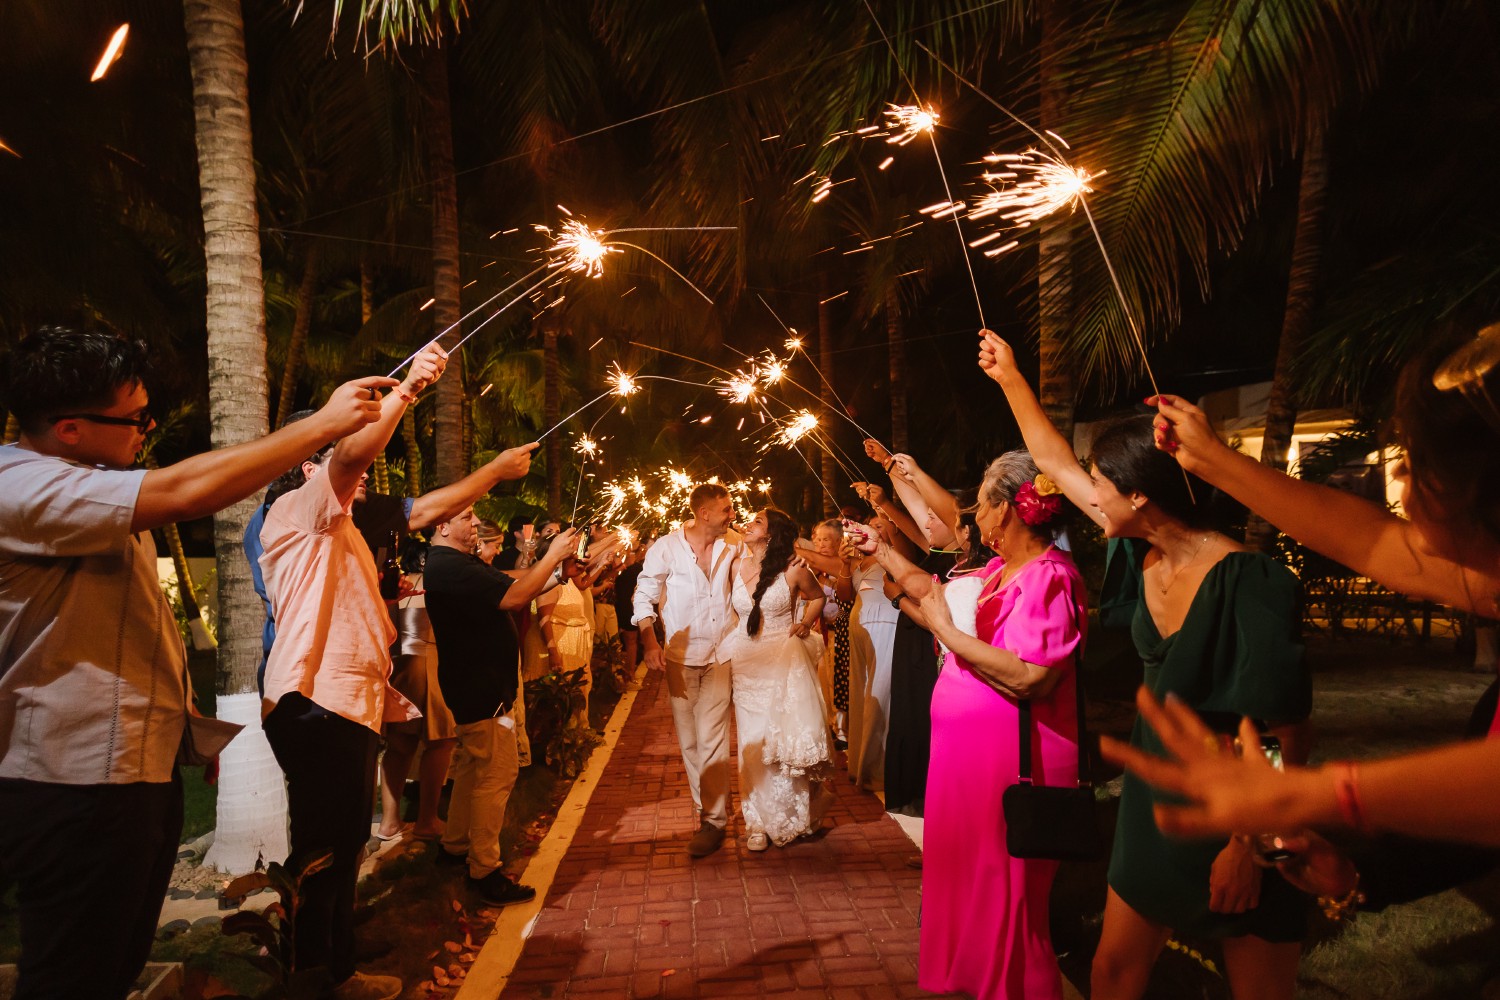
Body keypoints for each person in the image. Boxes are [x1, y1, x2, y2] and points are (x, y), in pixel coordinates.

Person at [0, 325, 396, 1000]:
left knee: (114, 967)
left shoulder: (81, 487)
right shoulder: (24, 488)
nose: (145, 434)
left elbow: (110, 630)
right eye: (135, 420)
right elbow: (186, 490)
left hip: (131, 771)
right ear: (68, 428)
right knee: (72, 975)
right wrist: (323, 424)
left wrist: (181, 724)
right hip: (75, 785)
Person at [978, 330, 1312, 1000]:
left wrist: (1249, 847)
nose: (1085, 494)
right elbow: (1052, 458)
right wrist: (1010, 377)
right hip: (1153, 806)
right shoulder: (1143, 551)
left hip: (1235, 809)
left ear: (1138, 497)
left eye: (1099, 484)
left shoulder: (1251, 583)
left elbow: (1281, 731)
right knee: (1112, 972)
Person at [1099, 321, 1500, 849]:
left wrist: (1299, 799)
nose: (1397, 473)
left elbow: (1282, 719)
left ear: (1478, 487)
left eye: (1419, 459)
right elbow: (1369, 541)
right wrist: (1213, 459)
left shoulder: (1245, 578)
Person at [849, 451, 1086, 1000]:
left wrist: (947, 635)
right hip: (966, 756)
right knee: (968, 879)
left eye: (980, 504)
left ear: (1005, 511)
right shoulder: (1002, 569)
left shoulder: (1049, 577)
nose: (971, 515)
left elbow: (1031, 677)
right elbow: (933, 593)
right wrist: (882, 549)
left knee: (1008, 894)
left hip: (1010, 760)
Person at [258, 343, 447, 1000]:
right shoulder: (303, 509)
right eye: (337, 449)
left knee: (340, 842)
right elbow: (354, 456)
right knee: (326, 846)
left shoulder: (331, 526)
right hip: (319, 704)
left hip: (345, 703)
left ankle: (337, 956)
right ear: (309, 463)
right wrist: (408, 391)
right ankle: (323, 977)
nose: (362, 470)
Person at [423, 507, 579, 906]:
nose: (476, 524)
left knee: (475, 770)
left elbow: (509, 580)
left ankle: (454, 847)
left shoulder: (455, 563)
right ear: (442, 526)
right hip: (480, 686)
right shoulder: (449, 565)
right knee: (497, 774)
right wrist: (551, 556)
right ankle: (485, 870)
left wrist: (557, 570)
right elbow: (515, 596)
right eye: (468, 518)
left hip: (478, 683)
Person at [631, 482, 741, 857]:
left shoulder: (734, 544)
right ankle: (705, 809)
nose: (733, 514)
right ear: (704, 513)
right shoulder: (666, 547)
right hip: (680, 655)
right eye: (726, 509)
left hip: (721, 652)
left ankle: (712, 820)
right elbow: (643, 593)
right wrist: (649, 640)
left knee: (712, 737)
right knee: (689, 739)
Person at [721, 508, 833, 850]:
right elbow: (732, 614)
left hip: (781, 661)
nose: (748, 524)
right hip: (746, 661)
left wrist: (805, 623)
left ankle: (791, 815)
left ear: (771, 534)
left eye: (757, 521)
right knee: (751, 743)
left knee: (781, 738)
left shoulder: (795, 568)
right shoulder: (734, 566)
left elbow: (817, 597)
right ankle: (755, 820)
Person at [376, 538, 456, 842]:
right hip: (429, 663)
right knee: (441, 741)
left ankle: (389, 822)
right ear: (424, 561)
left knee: (399, 745)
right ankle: (427, 819)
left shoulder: (392, 588)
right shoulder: (430, 585)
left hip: (399, 666)